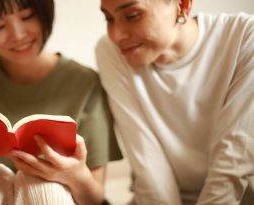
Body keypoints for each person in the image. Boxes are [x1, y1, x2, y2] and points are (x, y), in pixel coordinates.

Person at [0, 0, 122, 204]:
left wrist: (75, 175)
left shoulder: (86, 85)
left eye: (27, 16)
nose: (18, 35)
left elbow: (95, 199)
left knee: (39, 182)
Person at [95, 0, 254, 204]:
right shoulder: (111, 52)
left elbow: (234, 157)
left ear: (183, 5)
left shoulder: (244, 36)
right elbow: (149, 165)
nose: (116, 35)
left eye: (132, 16)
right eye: (108, 19)